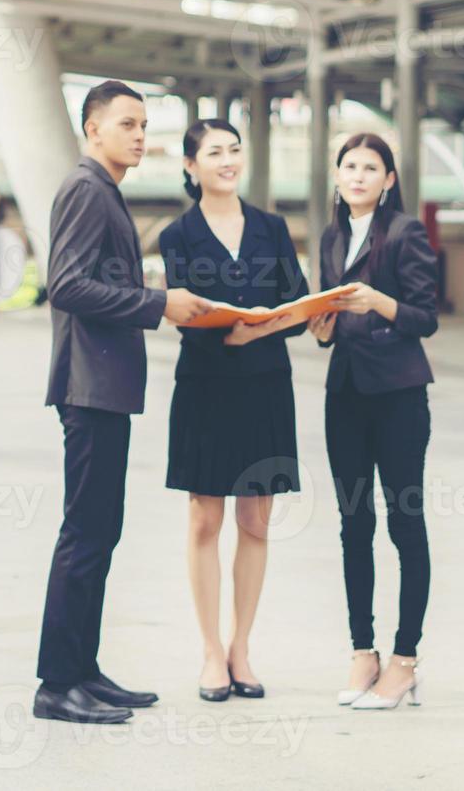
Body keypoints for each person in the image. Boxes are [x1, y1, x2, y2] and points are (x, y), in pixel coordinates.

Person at [35, 79, 212, 725]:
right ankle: (57, 683)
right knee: (85, 533)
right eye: (128, 123)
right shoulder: (86, 188)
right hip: (89, 388)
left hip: (104, 387)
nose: (140, 134)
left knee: (100, 532)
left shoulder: (103, 189)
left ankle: (83, 669)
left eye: (144, 124)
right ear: (93, 130)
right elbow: (67, 285)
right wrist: (159, 303)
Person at [157, 118, 309, 702]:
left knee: (255, 521)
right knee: (204, 520)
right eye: (214, 152)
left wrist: (279, 324)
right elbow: (183, 311)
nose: (227, 160)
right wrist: (234, 332)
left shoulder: (271, 227)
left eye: (234, 150)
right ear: (192, 167)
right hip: (206, 385)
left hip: (266, 384)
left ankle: (242, 646)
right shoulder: (177, 235)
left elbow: (294, 298)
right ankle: (210, 651)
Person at [308, 132, 438, 711]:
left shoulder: (405, 232)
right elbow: (332, 318)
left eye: (371, 167)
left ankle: (405, 660)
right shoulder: (332, 237)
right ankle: (364, 651)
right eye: (349, 165)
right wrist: (322, 327)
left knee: (404, 525)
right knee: (353, 523)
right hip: (346, 395)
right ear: (337, 176)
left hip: (399, 395)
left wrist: (376, 301)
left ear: (388, 181)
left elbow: (425, 317)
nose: (358, 175)